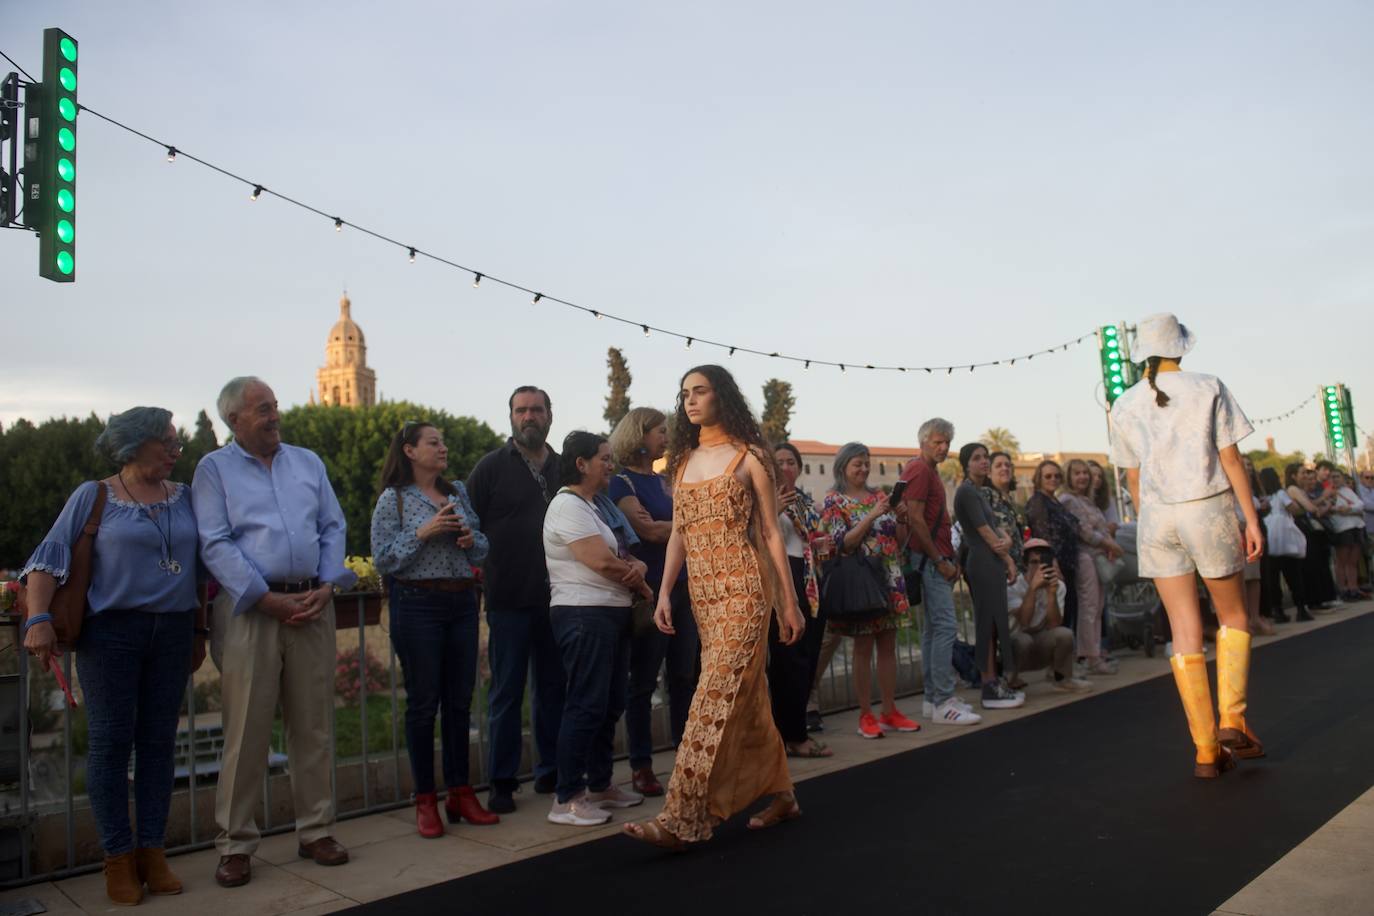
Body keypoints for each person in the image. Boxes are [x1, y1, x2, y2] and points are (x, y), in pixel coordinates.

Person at [21, 408, 204, 906]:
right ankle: (117, 859)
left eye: (176, 443)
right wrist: (38, 619)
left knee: (160, 745)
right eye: (167, 442)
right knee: (109, 745)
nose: (175, 451)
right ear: (135, 444)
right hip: (111, 634)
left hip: (172, 631)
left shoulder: (186, 496)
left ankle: (152, 851)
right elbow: (47, 557)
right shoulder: (95, 495)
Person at [624, 365, 806, 849]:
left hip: (746, 588)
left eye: (699, 391)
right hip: (702, 594)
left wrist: (788, 603)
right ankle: (783, 794)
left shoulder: (751, 457)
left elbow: (770, 532)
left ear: (721, 397)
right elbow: (679, 534)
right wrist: (663, 592)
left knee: (713, 694)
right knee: (747, 697)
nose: (689, 400)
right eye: (684, 393)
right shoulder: (682, 462)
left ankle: (681, 818)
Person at [194, 378, 356, 887]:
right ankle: (235, 844)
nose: (274, 415)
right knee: (246, 733)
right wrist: (265, 598)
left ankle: (316, 831)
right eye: (263, 410)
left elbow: (333, 526)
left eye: (274, 406)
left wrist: (328, 585)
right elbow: (214, 543)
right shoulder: (212, 470)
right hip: (251, 613)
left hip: (312, 604)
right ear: (234, 421)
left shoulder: (307, 462)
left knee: (313, 728)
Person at [1109, 313, 1263, 779]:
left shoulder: (1124, 404)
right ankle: (1232, 720)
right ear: (1180, 348)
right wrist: (1250, 518)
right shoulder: (1208, 385)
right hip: (1206, 507)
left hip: (1157, 516)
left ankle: (1203, 750)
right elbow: (1230, 457)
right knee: (1233, 615)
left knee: (1183, 628)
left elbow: (1132, 477)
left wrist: (1151, 516)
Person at [370, 421, 498, 837]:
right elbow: (384, 560)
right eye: (433, 442)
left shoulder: (456, 491)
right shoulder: (395, 500)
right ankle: (425, 800)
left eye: (443, 441)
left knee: (460, 702)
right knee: (424, 705)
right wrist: (422, 533)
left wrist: (467, 539)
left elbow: (482, 546)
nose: (443, 448)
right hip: (417, 604)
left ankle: (461, 792)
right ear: (409, 450)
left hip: (462, 601)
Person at [544, 431, 654, 826]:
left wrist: (637, 567)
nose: (611, 465)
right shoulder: (566, 506)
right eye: (604, 459)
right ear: (581, 464)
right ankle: (567, 798)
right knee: (586, 704)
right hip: (583, 613)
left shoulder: (598, 506)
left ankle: (600, 785)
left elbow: (623, 555)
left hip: (610, 611)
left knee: (609, 704)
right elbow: (603, 563)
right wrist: (642, 582)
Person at [465, 386, 565, 813]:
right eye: (521, 410)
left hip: (559, 596)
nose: (529, 416)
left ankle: (552, 771)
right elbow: (467, 525)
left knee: (553, 690)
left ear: (549, 416)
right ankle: (502, 782)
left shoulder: (566, 467)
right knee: (506, 693)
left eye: (536, 409)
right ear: (510, 417)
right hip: (507, 598)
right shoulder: (489, 468)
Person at [608, 408, 699, 796]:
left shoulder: (665, 480)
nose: (666, 437)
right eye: (660, 431)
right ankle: (641, 766)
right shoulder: (620, 482)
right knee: (643, 681)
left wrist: (676, 527)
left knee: (684, 675)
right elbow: (646, 530)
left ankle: (686, 754)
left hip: (683, 588)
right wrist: (680, 526)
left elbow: (687, 525)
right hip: (650, 592)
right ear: (639, 434)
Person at [821, 443, 920, 737]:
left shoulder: (880, 496)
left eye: (866, 463)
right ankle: (866, 715)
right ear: (843, 468)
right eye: (857, 464)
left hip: (890, 576)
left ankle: (889, 711)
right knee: (863, 647)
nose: (863, 469)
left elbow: (900, 540)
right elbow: (844, 543)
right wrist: (872, 515)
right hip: (862, 580)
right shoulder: (833, 501)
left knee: (889, 645)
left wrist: (901, 517)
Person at [900, 419, 982, 726]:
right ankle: (942, 700)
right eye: (937, 442)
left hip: (933, 558)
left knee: (934, 630)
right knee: (945, 627)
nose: (943, 447)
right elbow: (916, 519)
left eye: (946, 442)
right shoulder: (921, 470)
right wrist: (939, 560)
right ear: (923, 442)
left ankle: (934, 698)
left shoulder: (925, 470)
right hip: (931, 560)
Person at [771, 442, 831, 756]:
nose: (786, 467)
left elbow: (817, 538)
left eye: (791, 462)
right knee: (788, 658)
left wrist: (823, 542)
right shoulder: (764, 499)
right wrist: (774, 510)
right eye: (779, 461)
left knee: (808, 654)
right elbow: (755, 535)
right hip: (782, 576)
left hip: (810, 576)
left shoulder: (806, 500)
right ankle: (791, 735)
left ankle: (798, 729)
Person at [953, 443, 1022, 709]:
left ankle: (993, 681)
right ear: (966, 464)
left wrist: (1004, 544)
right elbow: (984, 531)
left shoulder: (981, 493)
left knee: (993, 624)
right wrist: (1008, 560)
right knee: (986, 624)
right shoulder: (967, 493)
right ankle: (988, 685)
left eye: (985, 457)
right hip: (982, 561)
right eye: (977, 458)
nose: (983, 462)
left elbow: (996, 528)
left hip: (990, 561)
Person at [1059, 459, 1127, 675]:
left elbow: (1101, 528)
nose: (1082, 477)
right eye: (1077, 473)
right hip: (1084, 557)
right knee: (1089, 607)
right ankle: (1090, 657)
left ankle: (1094, 654)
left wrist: (1108, 545)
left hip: (1097, 557)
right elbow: (1083, 531)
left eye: (1084, 473)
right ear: (1069, 477)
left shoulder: (1086, 500)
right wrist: (1110, 544)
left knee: (1097, 608)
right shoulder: (1069, 500)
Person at [1005, 539, 1091, 692]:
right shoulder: (1012, 586)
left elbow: (1054, 625)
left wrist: (1051, 594)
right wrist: (1032, 589)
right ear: (1025, 564)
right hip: (1015, 644)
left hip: (1039, 643)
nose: (1039, 567)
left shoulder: (1058, 586)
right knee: (1023, 640)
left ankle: (1062, 678)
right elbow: (1024, 621)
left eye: (1044, 562)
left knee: (1065, 634)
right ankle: (1009, 681)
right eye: (1034, 562)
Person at [1025, 460, 1081, 633]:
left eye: (1057, 476)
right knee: (1061, 613)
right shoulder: (1038, 502)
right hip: (1056, 564)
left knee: (1071, 608)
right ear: (1039, 479)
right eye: (1048, 476)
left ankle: (1070, 655)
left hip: (1069, 563)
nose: (1053, 479)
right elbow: (1043, 535)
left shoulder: (1055, 501)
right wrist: (1053, 563)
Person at [1259, 466, 1310, 622]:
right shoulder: (1280, 494)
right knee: (1294, 576)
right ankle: (1301, 609)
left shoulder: (1262, 498)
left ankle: (1278, 610)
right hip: (1285, 540)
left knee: (1273, 579)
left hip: (1270, 539)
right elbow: (1293, 509)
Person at [1287, 464, 1339, 612]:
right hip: (1302, 528)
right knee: (1310, 565)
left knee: (1317, 565)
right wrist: (1324, 497)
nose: (1305, 476)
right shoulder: (1293, 489)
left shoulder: (1300, 490)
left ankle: (1321, 599)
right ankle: (1313, 601)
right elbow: (1310, 507)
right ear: (1293, 476)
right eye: (1302, 473)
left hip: (1309, 528)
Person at [1240, 457, 1275, 636]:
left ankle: (1255, 617)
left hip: (1251, 531)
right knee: (1241, 579)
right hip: (1234, 532)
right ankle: (1244, 619)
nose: (1248, 469)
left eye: (1249, 465)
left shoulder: (1252, 489)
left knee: (1254, 576)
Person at [1326, 469, 1370, 601]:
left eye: (1337, 476)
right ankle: (1343, 589)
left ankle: (1353, 588)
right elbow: (1333, 508)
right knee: (1342, 561)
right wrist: (1347, 509)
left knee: (1353, 561)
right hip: (1342, 528)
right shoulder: (1328, 493)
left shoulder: (1347, 491)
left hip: (1357, 527)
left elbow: (1360, 505)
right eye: (1332, 477)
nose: (1335, 479)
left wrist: (1349, 509)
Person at [984, 451, 1026, 572]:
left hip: (1018, 568)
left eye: (1008, 465)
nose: (1005, 468)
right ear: (988, 472)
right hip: (998, 566)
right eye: (998, 465)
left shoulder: (1012, 501)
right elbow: (983, 524)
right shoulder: (986, 494)